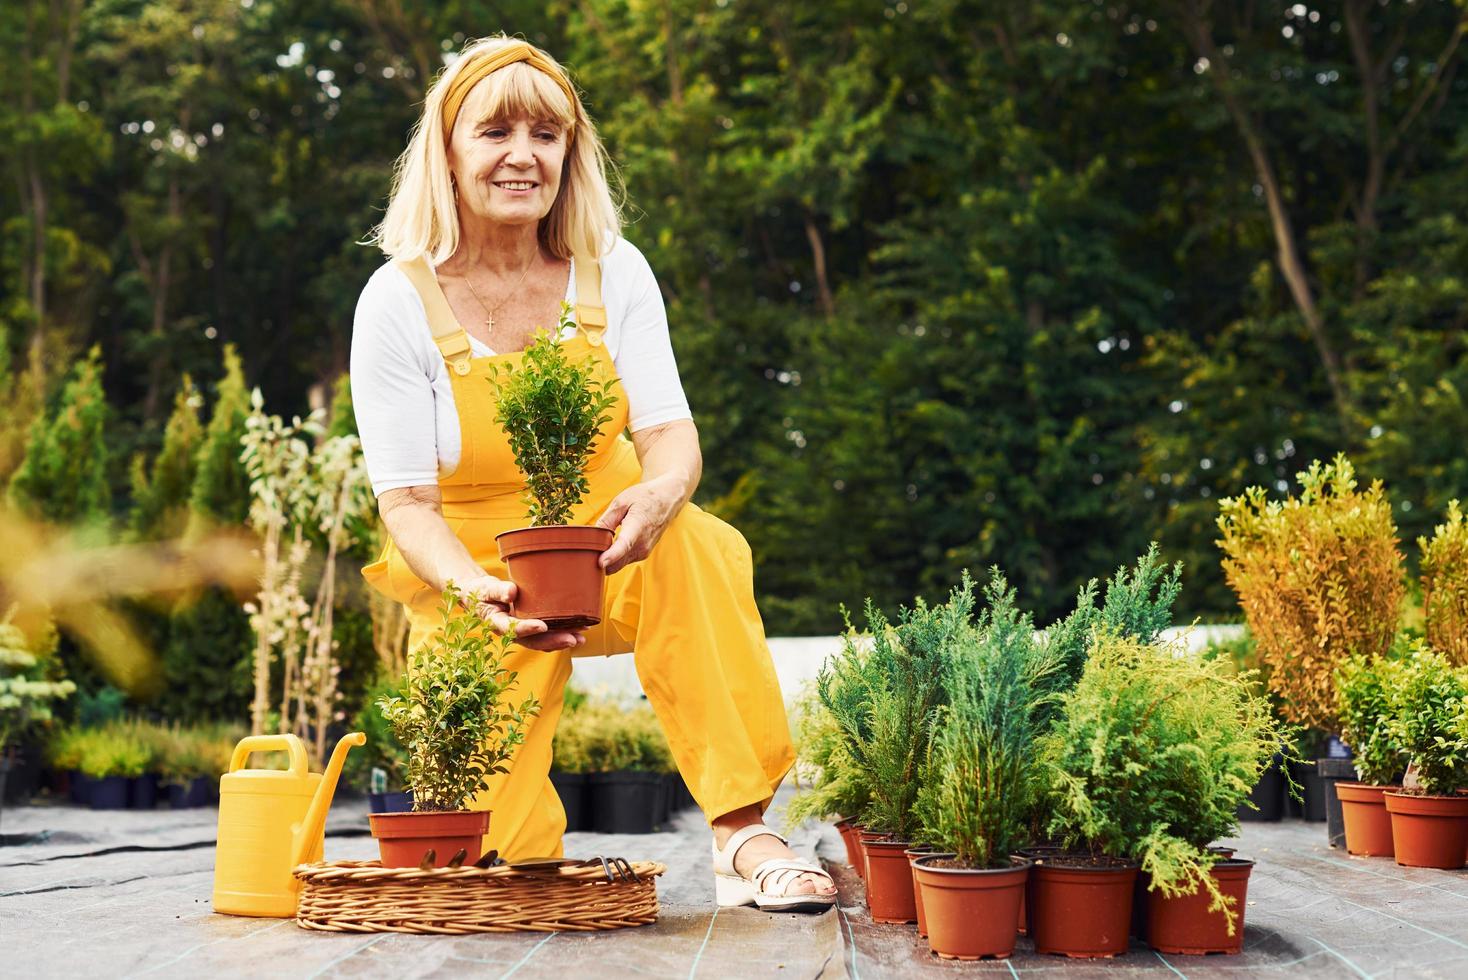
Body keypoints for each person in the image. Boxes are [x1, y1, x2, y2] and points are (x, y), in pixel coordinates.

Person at [350, 35, 836, 912]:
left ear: (570, 153)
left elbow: (668, 434)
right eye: (494, 132)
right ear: (449, 153)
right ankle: (512, 849)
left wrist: (660, 494)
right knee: (488, 871)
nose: (522, 156)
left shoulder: (612, 271)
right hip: (477, 572)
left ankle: (742, 832)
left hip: (616, 541)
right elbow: (407, 502)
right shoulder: (396, 300)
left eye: (547, 133)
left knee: (698, 544)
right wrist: (470, 589)